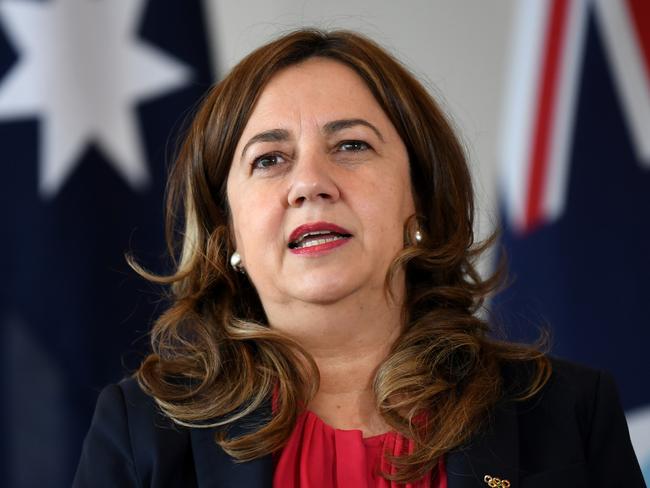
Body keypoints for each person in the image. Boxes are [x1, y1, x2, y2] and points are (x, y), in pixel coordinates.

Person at [73, 29, 645, 487]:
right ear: (228, 236)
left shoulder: (566, 411)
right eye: (269, 159)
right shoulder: (140, 430)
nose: (309, 184)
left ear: (417, 200)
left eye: (351, 146)